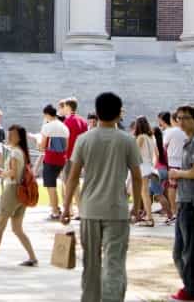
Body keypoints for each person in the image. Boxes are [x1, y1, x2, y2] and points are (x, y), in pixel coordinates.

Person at [61, 92, 142, 302]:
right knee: (114, 263)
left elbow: (73, 177)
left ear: (97, 113)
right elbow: (137, 177)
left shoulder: (83, 139)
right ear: (119, 113)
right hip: (117, 209)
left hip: (89, 208)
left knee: (91, 264)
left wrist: (66, 207)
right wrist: (138, 206)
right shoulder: (127, 140)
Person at [168, 104, 194, 302]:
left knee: (189, 249)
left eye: (185, 117)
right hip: (185, 200)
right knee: (180, 249)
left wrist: (178, 173)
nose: (181, 121)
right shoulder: (189, 142)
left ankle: (193, 290)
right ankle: (189, 286)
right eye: (179, 118)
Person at [0, 124, 38, 266]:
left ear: (19, 137)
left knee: (0, 226)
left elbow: (13, 173)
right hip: (22, 193)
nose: (9, 137)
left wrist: (1, 173)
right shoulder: (21, 152)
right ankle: (32, 257)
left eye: (12, 135)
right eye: (8, 134)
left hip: (12, 191)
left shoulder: (15, 152)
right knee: (17, 228)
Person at [58, 97, 88, 219]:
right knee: (75, 184)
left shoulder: (67, 122)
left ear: (69, 107)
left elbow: (65, 142)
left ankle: (72, 210)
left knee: (69, 184)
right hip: (80, 157)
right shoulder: (83, 121)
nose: (63, 109)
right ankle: (74, 209)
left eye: (64, 107)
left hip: (69, 157)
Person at [39, 104, 70, 220]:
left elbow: (42, 146)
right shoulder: (64, 127)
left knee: (51, 186)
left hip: (50, 159)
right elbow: (66, 146)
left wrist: (41, 145)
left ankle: (55, 211)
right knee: (59, 185)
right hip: (61, 159)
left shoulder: (47, 127)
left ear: (47, 114)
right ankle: (59, 208)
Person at [161, 111, 185, 224]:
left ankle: (174, 212)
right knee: (182, 189)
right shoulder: (187, 131)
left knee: (172, 187)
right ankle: (182, 213)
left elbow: (164, 146)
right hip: (184, 163)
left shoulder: (170, 131)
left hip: (172, 162)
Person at [133, 116, 157, 227]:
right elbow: (156, 154)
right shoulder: (150, 137)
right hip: (148, 165)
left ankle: (149, 217)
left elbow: (134, 153)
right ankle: (147, 216)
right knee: (145, 193)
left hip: (141, 166)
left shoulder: (141, 137)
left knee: (144, 193)